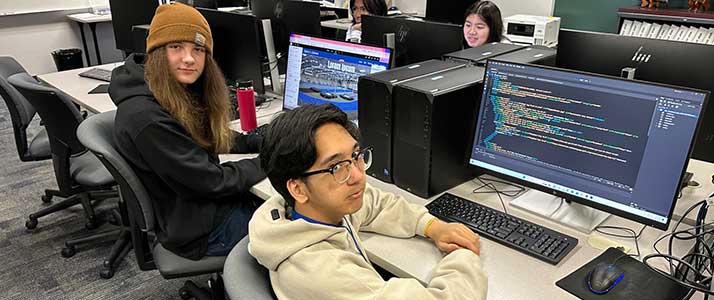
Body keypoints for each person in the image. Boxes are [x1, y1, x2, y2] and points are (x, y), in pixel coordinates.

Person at [249, 104, 487, 300]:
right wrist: (463, 255)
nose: (358, 176)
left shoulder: (304, 211)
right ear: (298, 188)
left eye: (355, 156)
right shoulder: (326, 274)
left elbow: (375, 202)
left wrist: (431, 226)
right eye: (337, 167)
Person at [110, 3, 266, 260]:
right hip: (202, 229)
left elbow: (203, 137)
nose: (189, 58)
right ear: (157, 52)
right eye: (176, 47)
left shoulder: (163, 89)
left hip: (202, 208)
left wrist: (255, 141)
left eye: (198, 49)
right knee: (302, 223)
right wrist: (271, 160)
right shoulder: (146, 117)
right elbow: (211, 181)